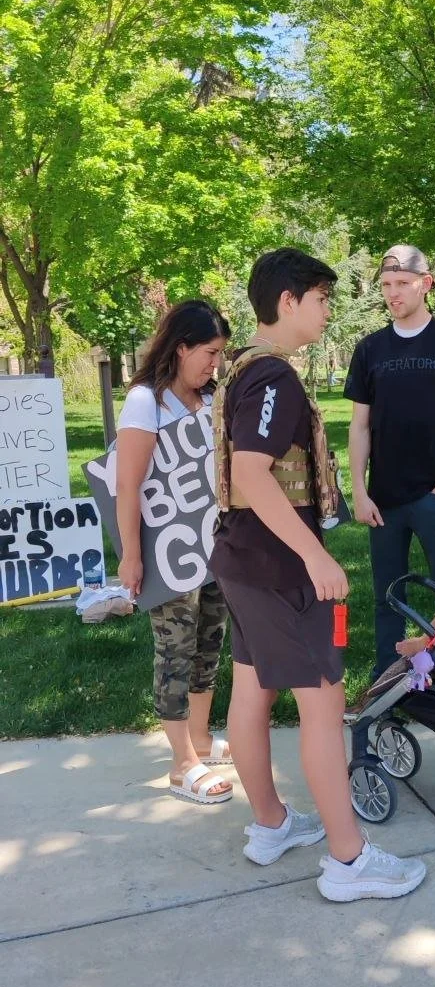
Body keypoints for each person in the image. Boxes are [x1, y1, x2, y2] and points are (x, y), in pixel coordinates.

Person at [210, 247, 426, 902]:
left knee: (251, 695)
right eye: (323, 299)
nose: (329, 310)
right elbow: (250, 473)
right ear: (288, 301)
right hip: (278, 571)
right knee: (323, 704)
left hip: (243, 562)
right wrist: (314, 554)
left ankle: (271, 824)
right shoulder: (271, 375)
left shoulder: (241, 368)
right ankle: (348, 861)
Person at [345, 243, 435, 679]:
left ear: (425, 284)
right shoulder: (370, 349)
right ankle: (388, 679)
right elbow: (359, 427)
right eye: (387, 285)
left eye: (402, 283)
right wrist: (359, 488)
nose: (393, 293)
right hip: (385, 499)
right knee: (387, 595)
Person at [116, 300, 233, 805]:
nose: (215, 365)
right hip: (167, 552)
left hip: (213, 547)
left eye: (221, 355)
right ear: (180, 347)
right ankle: (181, 763)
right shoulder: (146, 401)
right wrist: (130, 556)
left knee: (210, 641)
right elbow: (128, 485)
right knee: (175, 650)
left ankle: (201, 742)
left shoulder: (209, 401)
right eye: (208, 353)